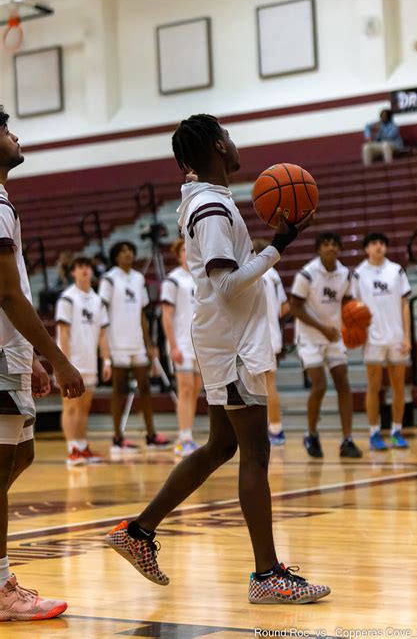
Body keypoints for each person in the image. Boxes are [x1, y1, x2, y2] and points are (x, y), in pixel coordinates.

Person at [106, 114, 330, 604]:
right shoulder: (209, 207)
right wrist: (280, 247)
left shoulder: (212, 200)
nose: (234, 142)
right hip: (230, 343)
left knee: (221, 446)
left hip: (224, 339)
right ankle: (266, 574)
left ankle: (138, 532)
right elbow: (226, 282)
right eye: (227, 135)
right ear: (215, 146)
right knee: (255, 451)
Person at [0, 105, 84, 620]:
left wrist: (29, 353)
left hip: (10, 351)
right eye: (5, 130)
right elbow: (8, 295)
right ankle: (2, 587)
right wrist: (58, 357)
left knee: (21, 457)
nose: (14, 136)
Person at [290, 232, 362, 459]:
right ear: (318, 249)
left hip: (334, 335)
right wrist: (323, 329)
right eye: (325, 244)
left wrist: (353, 323)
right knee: (319, 385)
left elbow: (348, 302)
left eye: (334, 244)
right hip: (310, 336)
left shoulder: (346, 274)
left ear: (339, 249)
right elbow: (295, 308)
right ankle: (311, 434)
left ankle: (347, 440)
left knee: (343, 381)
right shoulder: (307, 274)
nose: (330, 248)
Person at [99, 241, 170, 454]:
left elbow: (141, 313)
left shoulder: (139, 278)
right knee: (119, 390)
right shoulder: (109, 279)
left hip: (137, 342)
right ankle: (118, 437)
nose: (128, 253)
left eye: (130, 250)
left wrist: (149, 344)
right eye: (122, 250)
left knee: (146, 388)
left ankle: (151, 434)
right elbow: (101, 311)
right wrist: (105, 349)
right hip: (117, 342)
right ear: (115, 256)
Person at [352, 232, 411, 451]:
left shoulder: (396, 270)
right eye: (374, 243)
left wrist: (407, 337)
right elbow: (353, 308)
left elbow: (405, 304)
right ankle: (374, 432)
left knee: (398, 387)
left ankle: (397, 431)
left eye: (382, 243)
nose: (378, 246)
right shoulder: (358, 274)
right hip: (372, 338)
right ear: (367, 248)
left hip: (396, 337)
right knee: (374, 387)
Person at [56, 256, 112, 466]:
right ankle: (72, 450)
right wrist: (65, 364)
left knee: (84, 406)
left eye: (87, 266)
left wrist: (106, 360)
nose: (84, 270)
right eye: (80, 267)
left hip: (90, 361)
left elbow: (103, 334)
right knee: (70, 406)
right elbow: (63, 333)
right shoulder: (68, 298)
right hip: (72, 362)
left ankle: (82, 446)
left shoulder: (98, 300)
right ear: (73, 272)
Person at [161, 238, 201, 457]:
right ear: (179, 255)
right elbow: (166, 316)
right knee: (185, 388)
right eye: (184, 250)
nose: (188, 253)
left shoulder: (201, 276)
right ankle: (183, 437)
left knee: (195, 390)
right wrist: (173, 346)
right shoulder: (173, 280)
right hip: (181, 344)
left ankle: (188, 435)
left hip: (200, 344)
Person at [253, 238, 289, 446]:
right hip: (272, 335)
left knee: (256, 387)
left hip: (256, 337)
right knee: (269, 384)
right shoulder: (274, 275)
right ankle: (275, 428)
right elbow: (285, 307)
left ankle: (269, 428)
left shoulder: (252, 274)